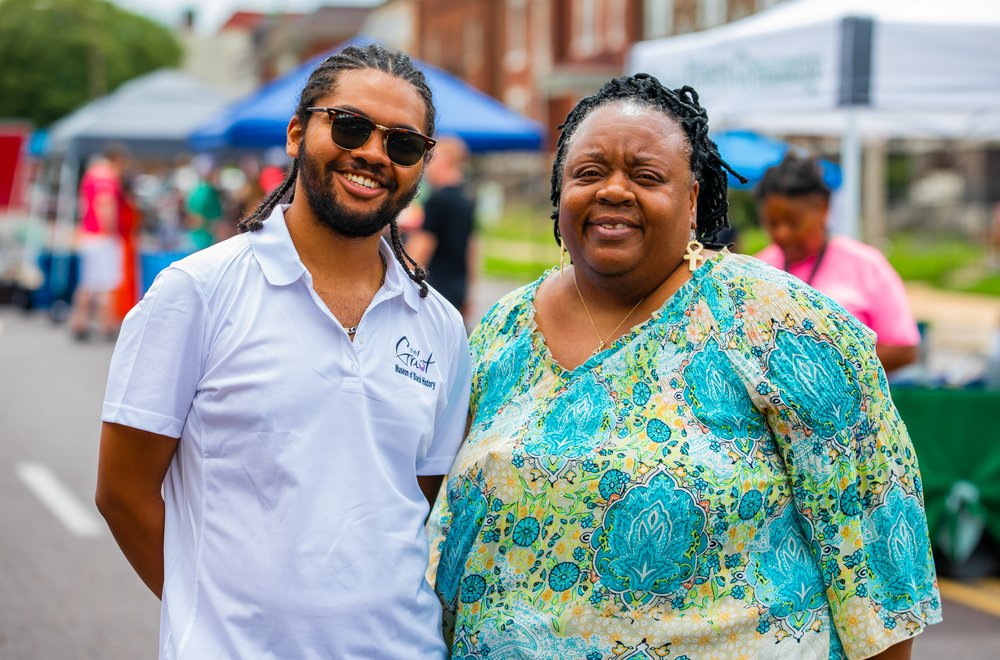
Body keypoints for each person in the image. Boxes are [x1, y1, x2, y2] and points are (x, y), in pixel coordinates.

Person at [427, 73, 940, 659]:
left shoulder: (785, 324)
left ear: (693, 199)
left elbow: (879, 576)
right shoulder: (501, 332)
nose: (613, 191)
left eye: (646, 176)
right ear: (559, 191)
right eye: (588, 173)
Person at [95, 44, 472, 659]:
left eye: (403, 144)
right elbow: (122, 491)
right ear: (298, 133)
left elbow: (413, 499)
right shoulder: (197, 291)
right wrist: (213, 621)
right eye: (350, 126)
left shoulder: (439, 326)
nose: (374, 153)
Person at [755, 154, 920, 373]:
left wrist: (829, 372)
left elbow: (903, 350)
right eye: (772, 224)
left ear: (822, 209)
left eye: (793, 223)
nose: (782, 233)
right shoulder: (757, 269)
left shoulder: (866, 265)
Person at [405, 136, 476, 319]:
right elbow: (472, 248)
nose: (425, 167)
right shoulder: (466, 199)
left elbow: (420, 249)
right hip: (457, 289)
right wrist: (468, 292)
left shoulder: (437, 200)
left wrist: (401, 280)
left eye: (430, 159)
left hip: (434, 288)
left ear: (445, 160)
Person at [69, 144, 128, 340]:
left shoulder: (91, 174)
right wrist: (111, 231)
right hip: (102, 237)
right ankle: (107, 324)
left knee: (88, 282)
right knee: (107, 283)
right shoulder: (107, 177)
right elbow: (105, 204)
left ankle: (80, 321)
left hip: (89, 234)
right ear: (116, 160)